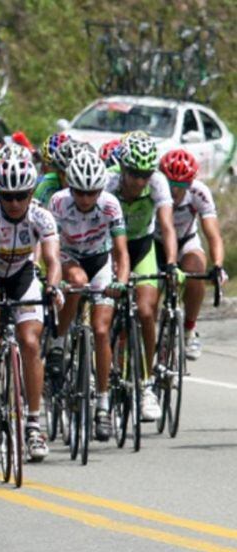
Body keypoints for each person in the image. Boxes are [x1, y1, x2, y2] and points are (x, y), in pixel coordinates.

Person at [0, 155, 62, 461]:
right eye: (7, 196)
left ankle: (33, 425)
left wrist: (53, 287)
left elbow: (53, 260)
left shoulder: (41, 217)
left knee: (31, 343)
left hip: (22, 275)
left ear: (31, 193)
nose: (14, 203)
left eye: (21, 196)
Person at [47, 150, 129, 440]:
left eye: (91, 192)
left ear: (100, 190)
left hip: (100, 260)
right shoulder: (58, 202)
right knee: (77, 281)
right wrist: (53, 278)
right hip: (68, 257)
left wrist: (120, 282)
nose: (84, 199)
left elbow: (121, 252)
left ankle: (103, 406)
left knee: (102, 330)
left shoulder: (110, 204)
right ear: (70, 187)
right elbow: (50, 246)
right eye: (79, 192)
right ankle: (58, 340)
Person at [103, 135, 175, 421]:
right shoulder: (108, 183)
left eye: (145, 174)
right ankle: (103, 375)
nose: (139, 181)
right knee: (105, 313)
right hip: (110, 247)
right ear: (123, 168)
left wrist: (171, 263)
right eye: (134, 174)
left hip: (143, 246)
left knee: (146, 311)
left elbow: (167, 226)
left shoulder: (157, 183)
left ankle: (146, 384)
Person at [158, 149, 227, 361]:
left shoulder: (199, 192)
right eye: (170, 183)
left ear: (190, 183)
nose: (174, 191)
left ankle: (189, 330)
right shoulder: (153, 190)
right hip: (156, 242)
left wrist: (218, 265)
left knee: (196, 272)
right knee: (148, 293)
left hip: (186, 240)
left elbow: (213, 235)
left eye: (181, 185)